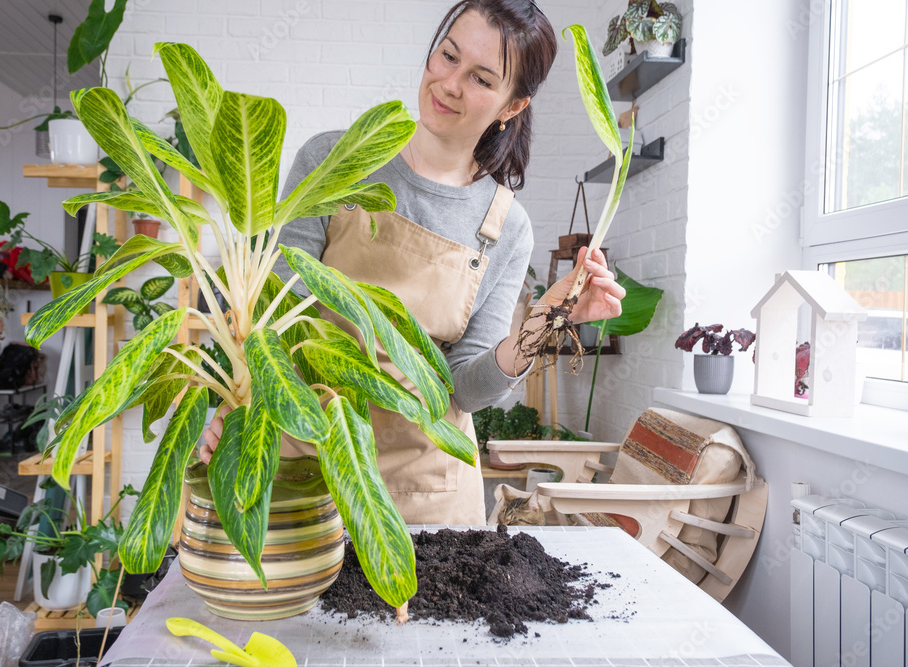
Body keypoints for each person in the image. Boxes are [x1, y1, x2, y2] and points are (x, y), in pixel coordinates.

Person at [199, 0, 626, 525]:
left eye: (480, 79)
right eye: (447, 57)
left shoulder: (506, 227)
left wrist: (542, 325)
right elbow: (269, 311)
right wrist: (225, 402)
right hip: (302, 468)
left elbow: (464, 388)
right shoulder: (333, 163)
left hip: (424, 491)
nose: (449, 84)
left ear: (512, 106)